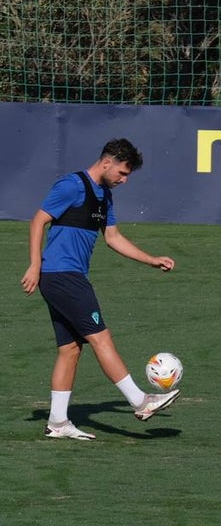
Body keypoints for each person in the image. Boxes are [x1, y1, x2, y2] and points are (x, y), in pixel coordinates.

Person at [20, 138, 181, 440]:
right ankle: (140, 401)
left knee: (70, 349)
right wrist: (34, 265)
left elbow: (114, 237)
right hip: (62, 275)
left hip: (68, 276)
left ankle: (57, 422)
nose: (124, 179)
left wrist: (151, 260)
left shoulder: (104, 196)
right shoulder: (71, 185)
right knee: (101, 337)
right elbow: (38, 222)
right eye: (122, 173)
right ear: (107, 162)